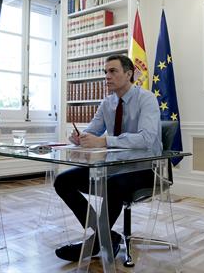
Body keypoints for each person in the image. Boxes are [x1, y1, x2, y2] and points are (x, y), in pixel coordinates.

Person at [53, 54, 162, 261]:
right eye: (105, 72)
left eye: (113, 71)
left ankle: (94, 243)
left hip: (147, 168)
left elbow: (147, 139)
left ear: (129, 74)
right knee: (63, 181)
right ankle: (106, 236)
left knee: (112, 185)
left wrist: (104, 141)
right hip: (115, 167)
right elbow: (92, 131)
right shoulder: (107, 103)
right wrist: (80, 137)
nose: (107, 77)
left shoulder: (146, 99)